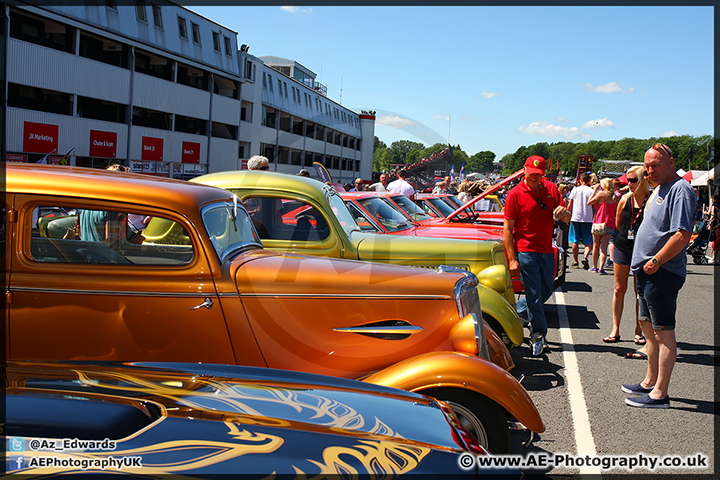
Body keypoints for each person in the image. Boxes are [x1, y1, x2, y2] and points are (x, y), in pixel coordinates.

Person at [623, 143, 695, 408]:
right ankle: (649, 382)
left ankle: (659, 394)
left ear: (671, 162)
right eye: (647, 165)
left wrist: (655, 261)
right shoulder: (658, 189)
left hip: (661, 273)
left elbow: (682, 234)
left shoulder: (681, 190)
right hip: (647, 272)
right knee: (648, 329)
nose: (649, 170)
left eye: (655, 165)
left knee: (664, 332)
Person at [504, 155, 571, 355]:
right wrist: (513, 258)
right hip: (526, 250)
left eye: (539, 175)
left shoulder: (550, 189)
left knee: (546, 290)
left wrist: (563, 213)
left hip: (546, 249)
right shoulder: (514, 194)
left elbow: (566, 218)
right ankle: (539, 335)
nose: (535, 178)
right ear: (524, 170)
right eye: (532, 174)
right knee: (533, 295)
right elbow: (508, 229)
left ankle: (515, 313)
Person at [603, 166, 650, 346]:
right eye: (627, 181)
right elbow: (618, 223)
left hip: (643, 250)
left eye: (633, 180)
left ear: (642, 181)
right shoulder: (624, 200)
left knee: (640, 291)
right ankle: (615, 328)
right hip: (624, 246)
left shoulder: (650, 200)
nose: (629, 184)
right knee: (618, 288)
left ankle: (639, 330)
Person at [587, 178, 618, 274]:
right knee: (604, 247)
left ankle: (594, 266)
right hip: (610, 223)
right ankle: (601, 268)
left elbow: (589, 202)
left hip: (599, 223)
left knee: (596, 246)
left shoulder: (601, 194)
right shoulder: (615, 197)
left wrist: (595, 191)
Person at [566, 173, 594, 269]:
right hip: (587, 218)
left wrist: (568, 215)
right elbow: (594, 206)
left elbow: (570, 205)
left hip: (576, 217)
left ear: (581, 180)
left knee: (575, 240)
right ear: (589, 180)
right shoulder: (591, 191)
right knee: (588, 241)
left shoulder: (575, 190)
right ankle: (585, 257)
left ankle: (575, 261)